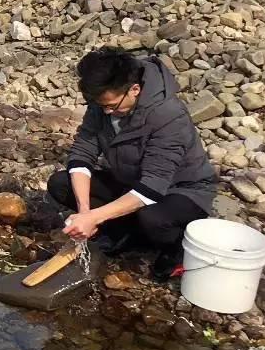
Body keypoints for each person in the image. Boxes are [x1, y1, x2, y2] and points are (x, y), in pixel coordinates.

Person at [47, 47, 218, 279]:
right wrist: (85, 211)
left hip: (180, 190)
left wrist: (95, 217)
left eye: (111, 106)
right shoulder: (102, 102)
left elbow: (154, 185)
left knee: (153, 218)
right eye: (100, 105)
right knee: (60, 183)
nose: (106, 112)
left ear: (134, 89)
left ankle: (174, 248)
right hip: (130, 180)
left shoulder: (168, 115)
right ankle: (127, 232)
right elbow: (82, 152)